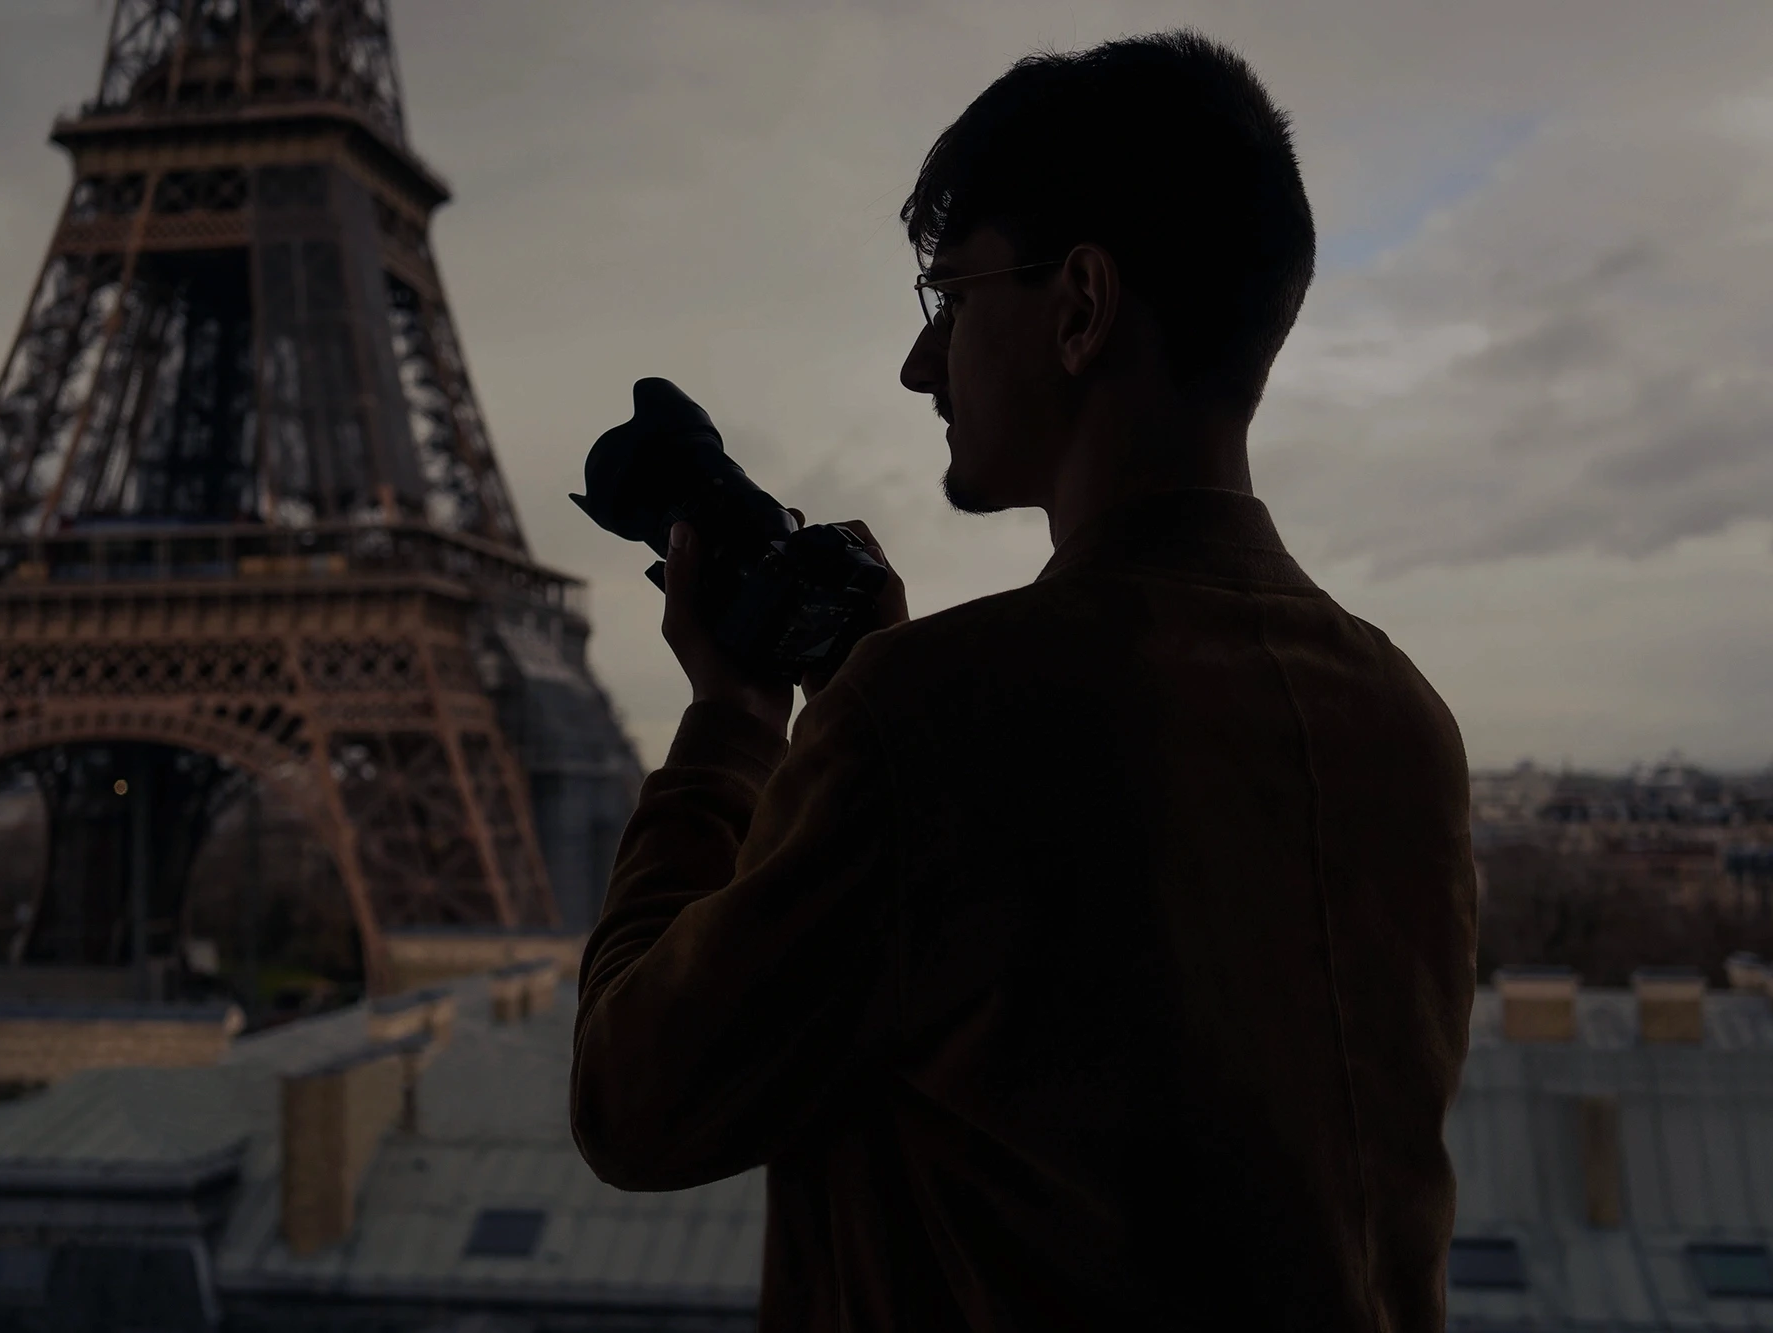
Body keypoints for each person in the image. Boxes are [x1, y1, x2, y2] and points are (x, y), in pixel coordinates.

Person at [570, 28, 1476, 1332]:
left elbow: (629, 1099)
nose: (919, 365)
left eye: (948, 300)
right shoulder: (1403, 719)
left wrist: (730, 723)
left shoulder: (934, 722)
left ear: (1079, 306)